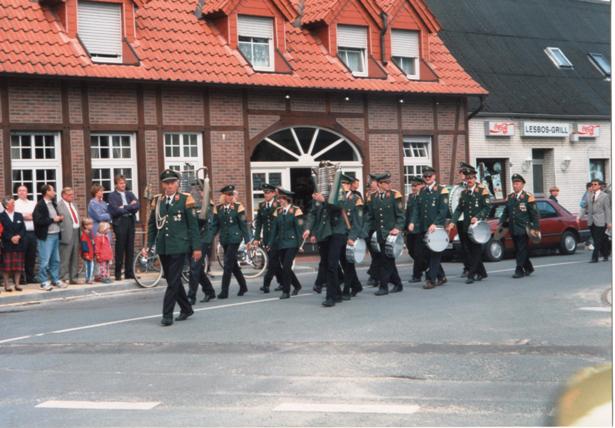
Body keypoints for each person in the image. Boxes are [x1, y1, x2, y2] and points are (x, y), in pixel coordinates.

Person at [144, 169, 201, 326]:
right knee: (172, 279)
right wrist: (149, 245)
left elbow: (193, 226)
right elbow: (152, 225)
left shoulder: (185, 199)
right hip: (163, 246)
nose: (169, 186)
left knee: (173, 281)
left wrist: (196, 247)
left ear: (177, 184)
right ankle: (186, 308)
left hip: (179, 245)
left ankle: (167, 314)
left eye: (172, 183)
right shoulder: (157, 201)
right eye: (166, 183)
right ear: (163, 185)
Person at [209, 184, 252, 299]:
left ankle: (224, 291)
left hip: (235, 238)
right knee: (233, 265)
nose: (230, 196)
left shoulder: (238, 207)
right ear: (223, 196)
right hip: (225, 239)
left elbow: (243, 225)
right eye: (228, 195)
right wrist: (208, 238)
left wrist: (248, 241)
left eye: (231, 194)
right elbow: (215, 225)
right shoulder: (218, 208)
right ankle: (243, 286)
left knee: (227, 264)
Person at [365, 172, 405, 296]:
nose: (389, 184)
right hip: (380, 235)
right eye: (386, 183)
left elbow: (401, 215)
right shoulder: (373, 198)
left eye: (389, 182)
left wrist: (397, 228)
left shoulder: (394, 195)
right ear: (379, 184)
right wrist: (364, 231)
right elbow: (370, 217)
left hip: (391, 234)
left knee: (385, 261)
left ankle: (384, 286)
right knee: (388, 260)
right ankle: (398, 284)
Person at [409, 167, 449, 289]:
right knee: (423, 254)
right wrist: (412, 222)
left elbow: (443, 211)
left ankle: (431, 280)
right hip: (423, 227)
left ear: (434, 176)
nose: (427, 178)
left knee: (435, 254)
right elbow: (416, 209)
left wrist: (435, 223)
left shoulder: (442, 190)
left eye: (429, 176)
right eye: (425, 176)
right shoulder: (422, 191)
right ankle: (441, 276)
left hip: (436, 229)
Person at [449, 170, 490, 284]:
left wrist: (478, 216)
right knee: (470, 250)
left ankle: (471, 274)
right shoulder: (464, 193)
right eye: (468, 178)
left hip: (478, 227)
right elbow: (459, 209)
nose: (470, 180)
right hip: (467, 226)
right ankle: (482, 272)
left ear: (475, 178)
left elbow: (487, 207)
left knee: (476, 250)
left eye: (472, 178)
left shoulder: (482, 191)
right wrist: (453, 221)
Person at [499, 174, 540, 278]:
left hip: (524, 228)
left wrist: (535, 228)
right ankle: (529, 267)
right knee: (518, 249)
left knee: (521, 249)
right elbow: (506, 212)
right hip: (513, 228)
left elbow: (534, 214)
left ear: (522, 185)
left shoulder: (528, 197)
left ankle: (519, 270)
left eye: (517, 183)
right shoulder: (510, 197)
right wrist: (501, 221)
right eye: (514, 183)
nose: (515, 185)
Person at [267, 188, 303, 299]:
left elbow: (299, 229)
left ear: (287, 199)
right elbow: (274, 230)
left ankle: (286, 291)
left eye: (282, 199)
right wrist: (270, 243)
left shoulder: (296, 210)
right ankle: (297, 285)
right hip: (281, 243)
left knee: (287, 266)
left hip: (292, 243)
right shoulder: (277, 211)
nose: (280, 201)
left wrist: (300, 244)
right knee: (285, 267)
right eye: (279, 199)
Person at [33, 184, 65, 291]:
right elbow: (38, 221)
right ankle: (43, 282)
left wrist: (60, 218)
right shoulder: (40, 205)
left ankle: (55, 279)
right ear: (47, 192)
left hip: (56, 234)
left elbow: (55, 218)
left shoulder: (53, 204)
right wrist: (53, 220)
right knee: (44, 260)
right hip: (46, 236)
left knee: (56, 260)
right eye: (53, 190)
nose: (55, 192)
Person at [107, 175, 139, 281]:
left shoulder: (130, 194)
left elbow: (137, 206)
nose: (123, 185)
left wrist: (124, 207)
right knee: (120, 248)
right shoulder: (112, 196)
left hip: (130, 221)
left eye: (124, 183)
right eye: (121, 183)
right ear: (116, 184)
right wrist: (130, 207)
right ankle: (117, 274)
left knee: (130, 248)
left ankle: (129, 273)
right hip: (120, 223)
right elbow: (115, 211)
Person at [339, 174, 366, 299]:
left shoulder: (356, 199)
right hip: (339, 235)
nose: (342, 186)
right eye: (341, 184)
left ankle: (346, 290)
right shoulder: (338, 198)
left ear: (350, 185)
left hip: (350, 236)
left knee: (349, 264)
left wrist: (352, 237)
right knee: (344, 263)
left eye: (344, 184)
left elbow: (358, 221)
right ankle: (356, 285)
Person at [187, 190, 216, 305]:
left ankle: (191, 296)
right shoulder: (194, 204)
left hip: (203, 239)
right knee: (196, 268)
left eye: (203, 190)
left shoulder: (209, 205)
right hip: (193, 238)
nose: (201, 193)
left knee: (194, 267)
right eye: (199, 190)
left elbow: (205, 222)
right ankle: (209, 291)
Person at [253, 183, 282, 294]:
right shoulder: (262, 206)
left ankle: (266, 284)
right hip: (266, 237)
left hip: (277, 237)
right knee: (275, 262)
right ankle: (282, 282)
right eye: (264, 192)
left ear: (274, 193)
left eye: (268, 192)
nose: (266, 194)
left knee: (272, 261)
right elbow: (259, 223)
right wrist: (256, 237)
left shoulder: (278, 205)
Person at [578, 179, 611, 263]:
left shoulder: (604, 196)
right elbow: (584, 207)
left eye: (595, 184)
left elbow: (607, 209)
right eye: (592, 184)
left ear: (599, 186)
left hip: (601, 220)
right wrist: (579, 217)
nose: (593, 186)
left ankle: (594, 257)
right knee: (601, 239)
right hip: (591, 220)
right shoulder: (589, 195)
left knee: (597, 239)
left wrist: (609, 222)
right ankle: (606, 254)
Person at [0, 197, 26, 292]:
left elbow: (23, 229)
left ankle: (17, 284)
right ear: (6, 205)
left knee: (18, 266)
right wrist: (11, 238)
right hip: (7, 244)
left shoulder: (19, 215)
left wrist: (18, 236)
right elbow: (2, 231)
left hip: (19, 243)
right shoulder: (1, 216)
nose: (14, 205)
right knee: (7, 267)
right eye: (12, 203)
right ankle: (7, 285)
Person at [57, 187, 82, 284]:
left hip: (76, 231)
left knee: (75, 256)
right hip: (66, 233)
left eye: (72, 194)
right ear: (63, 195)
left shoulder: (74, 204)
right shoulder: (59, 205)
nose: (72, 196)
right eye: (70, 195)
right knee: (65, 257)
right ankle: (64, 276)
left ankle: (74, 277)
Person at [14, 185, 37, 284]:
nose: (22, 192)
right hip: (21, 233)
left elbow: (35, 216)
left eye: (24, 190)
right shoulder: (15, 204)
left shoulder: (33, 203)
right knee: (21, 256)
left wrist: (26, 215)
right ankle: (22, 279)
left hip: (33, 233)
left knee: (31, 256)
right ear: (17, 192)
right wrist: (26, 215)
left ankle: (30, 277)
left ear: (27, 192)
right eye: (20, 190)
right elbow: (17, 217)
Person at [405, 176, 426, 283]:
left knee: (418, 253)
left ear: (422, 185)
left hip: (420, 228)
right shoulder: (411, 196)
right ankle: (427, 267)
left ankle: (417, 275)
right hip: (410, 228)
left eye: (416, 185)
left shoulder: (424, 196)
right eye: (412, 185)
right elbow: (408, 213)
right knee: (411, 250)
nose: (414, 188)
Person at [364, 176, 380, 287]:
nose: (370, 184)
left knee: (378, 254)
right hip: (370, 229)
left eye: (372, 182)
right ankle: (374, 274)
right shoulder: (369, 196)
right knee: (375, 254)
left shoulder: (381, 195)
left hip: (378, 229)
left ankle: (374, 276)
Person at [80, 218, 95, 284]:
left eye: (92, 224)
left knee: (90, 266)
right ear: (85, 226)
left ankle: (88, 278)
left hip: (91, 253)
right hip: (88, 254)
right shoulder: (84, 235)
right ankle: (89, 279)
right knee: (89, 267)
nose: (92, 226)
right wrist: (86, 254)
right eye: (90, 224)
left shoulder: (90, 233)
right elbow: (84, 245)